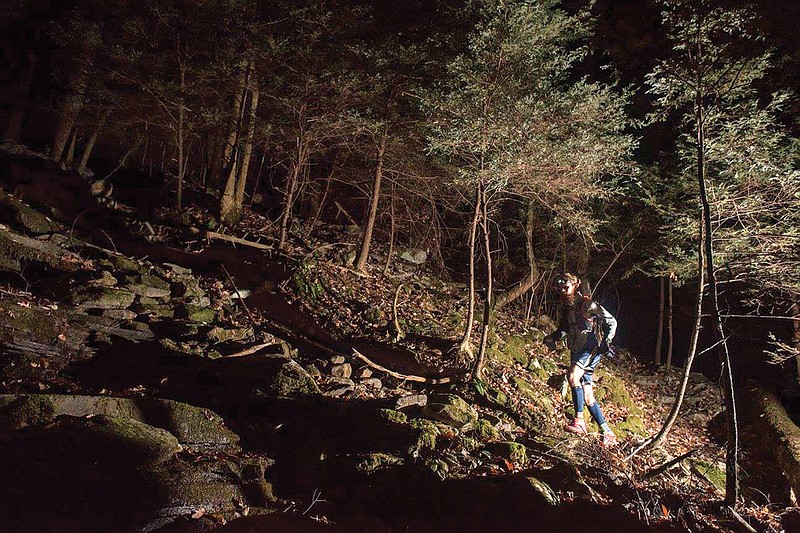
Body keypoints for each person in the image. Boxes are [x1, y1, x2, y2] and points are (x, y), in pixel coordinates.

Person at [544, 273, 618, 447]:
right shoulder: (565, 308)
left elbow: (611, 321)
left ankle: (580, 421)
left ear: (575, 286)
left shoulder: (587, 304)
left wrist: (607, 341)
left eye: (566, 287)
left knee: (572, 377)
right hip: (576, 350)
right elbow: (564, 329)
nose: (563, 291)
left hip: (590, 349)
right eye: (560, 288)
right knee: (588, 394)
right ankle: (607, 432)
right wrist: (552, 337)